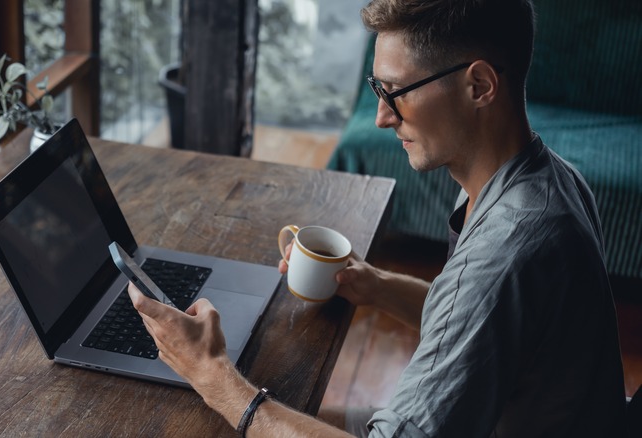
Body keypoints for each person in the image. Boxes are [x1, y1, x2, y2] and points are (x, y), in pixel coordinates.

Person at [127, 0, 629, 436]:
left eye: (396, 91)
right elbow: (480, 318)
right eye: (376, 88)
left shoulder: (509, 249)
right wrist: (372, 285)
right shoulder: (547, 178)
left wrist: (215, 377)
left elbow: (483, 293)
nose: (382, 116)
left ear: (479, 85)